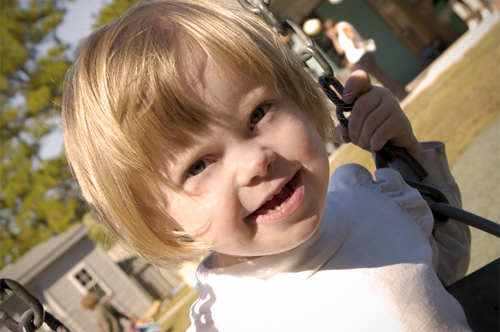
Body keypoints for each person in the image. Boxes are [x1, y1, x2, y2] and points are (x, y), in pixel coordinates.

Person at [62, 1, 471, 331]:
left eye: (258, 113)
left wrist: (407, 152)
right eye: (199, 165)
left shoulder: (370, 200)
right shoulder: (225, 324)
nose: (256, 161)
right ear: (156, 217)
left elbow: (444, 269)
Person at [323, 18, 409, 100]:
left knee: (380, 75)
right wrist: (334, 37)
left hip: (361, 56)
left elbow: (350, 35)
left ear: (330, 28)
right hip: (358, 59)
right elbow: (340, 51)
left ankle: (401, 93)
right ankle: (399, 94)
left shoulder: (342, 26)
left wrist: (354, 47)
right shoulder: (339, 34)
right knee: (378, 77)